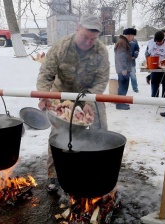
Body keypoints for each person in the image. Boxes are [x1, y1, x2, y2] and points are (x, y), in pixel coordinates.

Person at [36, 15, 110, 192]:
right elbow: (46, 73)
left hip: (90, 96)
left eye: (93, 39)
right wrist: (44, 95)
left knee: (100, 129)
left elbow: (101, 80)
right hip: (62, 94)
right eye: (85, 37)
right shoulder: (62, 46)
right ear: (77, 28)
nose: (88, 42)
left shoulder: (101, 51)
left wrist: (88, 101)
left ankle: (97, 170)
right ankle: (54, 175)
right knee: (58, 133)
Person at [145, 30, 165, 97]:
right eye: (156, 42)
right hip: (154, 66)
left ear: (163, 39)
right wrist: (148, 61)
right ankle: (154, 98)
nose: (157, 43)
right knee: (154, 83)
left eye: (159, 42)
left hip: (164, 67)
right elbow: (147, 53)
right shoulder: (151, 42)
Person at [114, 30, 133, 110]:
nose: (133, 38)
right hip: (123, 69)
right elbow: (120, 56)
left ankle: (121, 102)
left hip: (123, 68)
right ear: (129, 35)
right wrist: (124, 68)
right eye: (133, 36)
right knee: (123, 86)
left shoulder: (123, 41)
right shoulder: (122, 42)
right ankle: (120, 104)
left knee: (124, 86)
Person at [127, 28, 140, 93]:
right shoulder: (123, 41)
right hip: (124, 63)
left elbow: (137, 49)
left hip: (132, 62)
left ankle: (135, 88)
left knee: (133, 75)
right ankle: (123, 89)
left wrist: (135, 55)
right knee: (124, 76)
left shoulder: (135, 41)